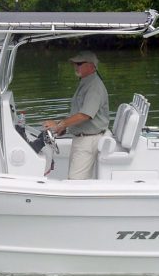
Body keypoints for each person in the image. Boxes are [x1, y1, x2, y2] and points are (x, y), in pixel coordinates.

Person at [42, 50, 109, 179]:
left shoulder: (94, 86)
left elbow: (85, 115)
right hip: (82, 138)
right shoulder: (86, 82)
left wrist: (58, 125)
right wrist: (64, 127)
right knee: (75, 180)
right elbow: (78, 113)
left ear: (91, 66)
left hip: (88, 140)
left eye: (79, 63)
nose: (75, 66)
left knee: (74, 182)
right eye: (74, 64)